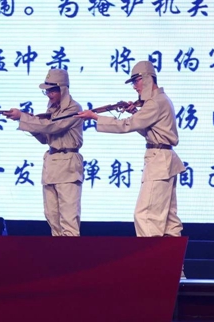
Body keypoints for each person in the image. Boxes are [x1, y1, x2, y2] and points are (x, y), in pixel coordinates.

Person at [76, 61, 185, 239]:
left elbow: (126, 125)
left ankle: (152, 257)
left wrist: (96, 117)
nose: (135, 87)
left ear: (147, 79)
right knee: (168, 219)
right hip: (164, 159)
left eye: (136, 81)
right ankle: (172, 257)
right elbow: (149, 127)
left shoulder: (155, 102)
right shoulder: (160, 100)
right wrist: (135, 112)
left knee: (146, 215)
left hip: (159, 160)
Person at [3, 69, 84, 236]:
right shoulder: (52, 111)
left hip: (68, 164)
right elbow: (45, 137)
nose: (49, 94)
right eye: (47, 91)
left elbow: (53, 127)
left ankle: (71, 252)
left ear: (63, 89)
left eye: (52, 90)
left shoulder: (73, 108)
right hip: (51, 165)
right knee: (52, 216)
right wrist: (30, 124)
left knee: (68, 217)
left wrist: (24, 117)